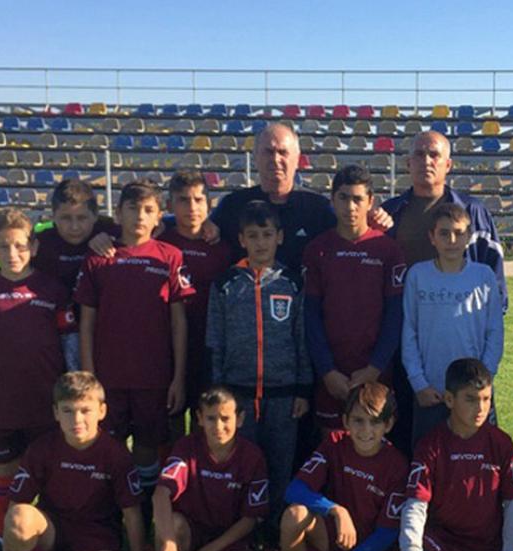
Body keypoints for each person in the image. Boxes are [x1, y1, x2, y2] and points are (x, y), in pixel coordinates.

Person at [0, 208, 79, 551]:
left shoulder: (52, 289)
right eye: (4, 246)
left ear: (35, 247)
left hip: (46, 400)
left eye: (21, 246)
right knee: (7, 472)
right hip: (0, 399)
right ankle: (6, 542)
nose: (13, 254)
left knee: (51, 469)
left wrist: (74, 385)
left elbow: (69, 342)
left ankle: (53, 540)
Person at [381, 131, 508, 451]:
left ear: (448, 164)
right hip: (411, 347)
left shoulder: (473, 211)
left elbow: (494, 285)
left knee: (475, 444)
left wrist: (484, 367)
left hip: (467, 347)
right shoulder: (391, 212)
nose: (426, 161)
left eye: (434, 154)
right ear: (408, 163)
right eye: (419, 154)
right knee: (416, 438)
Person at [74, 182, 193, 501]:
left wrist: (178, 377)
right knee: (107, 448)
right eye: (132, 208)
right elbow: (87, 323)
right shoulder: (99, 257)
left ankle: (144, 511)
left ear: (158, 217)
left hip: (153, 377)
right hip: (108, 377)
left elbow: (178, 322)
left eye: (148, 210)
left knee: (146, 447)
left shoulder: (170, 257)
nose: (140, 216)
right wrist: (89, 376)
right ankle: (109, 514)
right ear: (117, 213)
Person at [206, 200, 313, 544]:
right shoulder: (225, 284)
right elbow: (215, 340)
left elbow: (302, 338)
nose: (261, 242)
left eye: (267, 235)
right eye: (253, 236)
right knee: (244, 466)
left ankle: (275, 535)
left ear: (280, 237)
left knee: (280, 465)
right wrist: (219, 390)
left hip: (283, 394)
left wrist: (303, 388)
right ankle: (243, 536)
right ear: (241, 239)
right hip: (237, 394)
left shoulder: (292, 283)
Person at [387, 358, 513, 551]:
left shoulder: (501, 444)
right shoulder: (431, 444)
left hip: (485, 548)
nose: (481, 408)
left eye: (486, 399)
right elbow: (416, 504)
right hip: (441, 540)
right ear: (450, 400)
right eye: (471, 399)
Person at [0, 371, 146, 551]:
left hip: (96, 534)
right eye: (67, 411)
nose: (77, 420)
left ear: (102, 411)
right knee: (19, 517)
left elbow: (132, 515)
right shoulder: (42, 448)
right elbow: (13, 510)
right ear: (56, 413)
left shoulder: (116, 455)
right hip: (52, 529)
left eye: (85, 410)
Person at [280, 382, 409, 551]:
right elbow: (294, 490)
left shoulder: (397, 466)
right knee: (295, 514)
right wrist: (336, 510)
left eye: (375, 422)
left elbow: (385, 535)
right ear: (346, 421)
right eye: (358, 420)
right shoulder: (334, 443)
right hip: (334, 538)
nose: (365, 430)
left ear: (388, 425)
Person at [302, 165, 406, 431]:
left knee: (373, 443)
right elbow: (310, 315)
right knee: (332, 446)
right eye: (343, 198)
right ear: (332, 200)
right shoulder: (317, 250)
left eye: (358, 199)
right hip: (331, 377)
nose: (350, 206)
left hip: (376, 374)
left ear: (370, 202)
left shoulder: (388, 250)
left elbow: (395, 315)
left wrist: (375, 367)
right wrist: (327, 370)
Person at [151, 386, 269, 551]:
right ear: (199, 418)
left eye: (225, 419)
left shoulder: (252, 456)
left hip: (230, 537)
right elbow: (160, 494)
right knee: (173, 524)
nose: (218, 426)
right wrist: (169, 543)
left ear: (240, 419)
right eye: (211, 418)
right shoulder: (187, 447)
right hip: (191, 529)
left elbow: (250, 520)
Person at [401, 204, 504, 446]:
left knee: (478, 456)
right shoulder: (418, 275)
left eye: (459, 233)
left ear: (469, 237)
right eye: (444, 233)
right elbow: (409, 332)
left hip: (474, 391)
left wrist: (484, 378)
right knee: (430, 456)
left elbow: (495, 331)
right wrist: (419, 383)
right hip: (431, 391)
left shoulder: (483, 276)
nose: (452, 240)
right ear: (432, 237)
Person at [156, 171, 234, 437]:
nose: (192, 207)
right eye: (183, 200)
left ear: (209, 204)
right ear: (169, 205)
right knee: (170, 425)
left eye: (199, 200)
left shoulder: (223, 248)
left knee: (207, 426)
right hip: (167, 348)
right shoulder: (159, 241)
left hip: (208, 350)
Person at [206, 123, 337, 273]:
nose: (275, 159)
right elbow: (204, 234)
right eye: (268, 152)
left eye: (283, 152)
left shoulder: (319, 209)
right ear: (255, 157)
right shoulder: (232, 206)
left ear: (297, 159)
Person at [32, 178, 118, 292]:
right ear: (53, 217)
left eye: (82, 218)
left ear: (95, 216)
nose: (74, 227)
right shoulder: (40, 245)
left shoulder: (112, 234)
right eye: (66, 218)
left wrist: (113, 241)